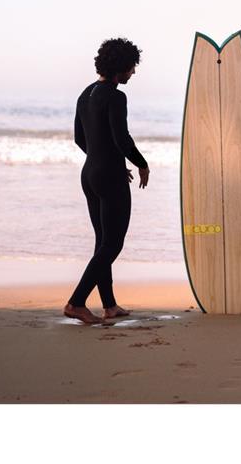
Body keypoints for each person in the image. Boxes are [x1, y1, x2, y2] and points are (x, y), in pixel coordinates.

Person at [64, 37, 151, 325]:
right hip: (108, 176)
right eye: (131, 68)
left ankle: (109, 305)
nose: (133, 73)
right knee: (112, 245)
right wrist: (141, 164)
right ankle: (76, 302)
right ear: (120, 68)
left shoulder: (85, 94)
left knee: (103, 242)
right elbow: (121, 139)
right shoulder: (116, 97)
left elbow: (80, 137)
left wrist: (102, 160)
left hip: (89, 174)